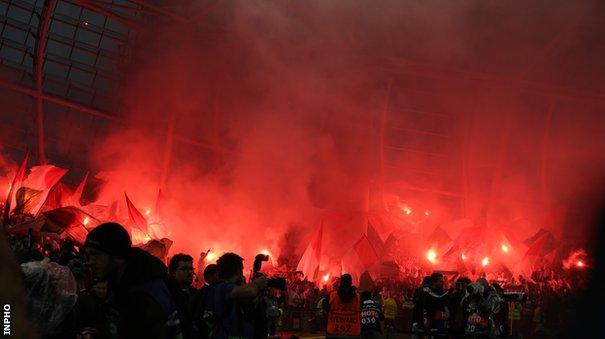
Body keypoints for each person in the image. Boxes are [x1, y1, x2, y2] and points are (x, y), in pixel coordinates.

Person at [84, 222, 182, 338]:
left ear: (117, 255)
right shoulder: (120, 283)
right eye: (89, 255)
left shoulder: (146, 295)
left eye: (95, 254)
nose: (90, 262)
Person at [209, 252, 267, 339]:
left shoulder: (230, 289)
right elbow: (251, 291)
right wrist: (258, 284)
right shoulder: (222, 288)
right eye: (242, 269)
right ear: (238, 270)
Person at [168, 253, 197, 339]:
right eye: (184, 269)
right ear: (173, 272)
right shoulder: (168, 294)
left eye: (191, 269)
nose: (189, 272)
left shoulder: (196, 294)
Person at [324, 274, 361, 338]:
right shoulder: (358, 297)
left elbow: (325, 312)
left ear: (340, 282)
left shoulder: (331, 296)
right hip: (353, 332)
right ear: (351, 282)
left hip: (334, 331)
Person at [190, 264, 220, 338]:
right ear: (210, 276)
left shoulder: (200, 293)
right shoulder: (203, 294)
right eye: (218, 275)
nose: (220, 278)